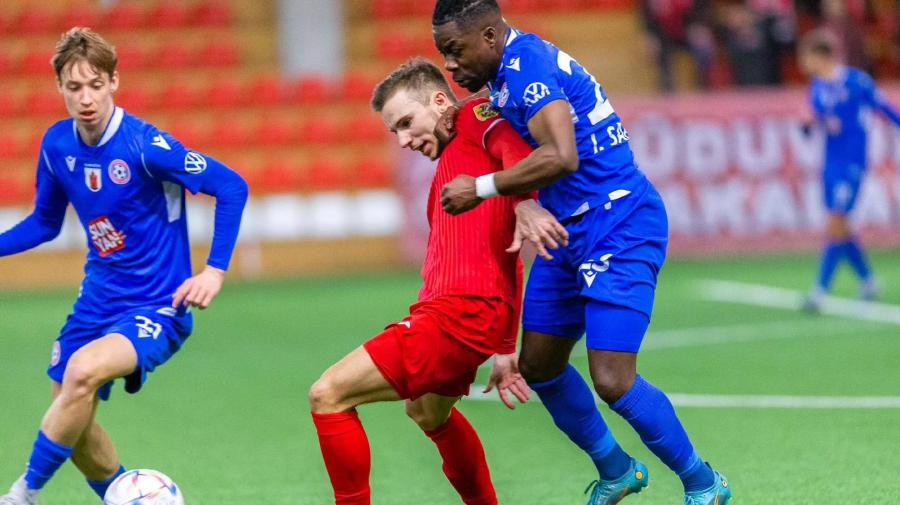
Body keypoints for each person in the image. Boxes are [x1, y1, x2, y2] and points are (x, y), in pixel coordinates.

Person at [431, 1, 730, 504]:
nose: (450, 64)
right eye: (443, 54)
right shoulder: (505, 73)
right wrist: (453, 115)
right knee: (540, 366)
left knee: (612, 379)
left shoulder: (528, 67)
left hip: (619, 221)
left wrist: (481, 188)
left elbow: (561, 155)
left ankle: (703, 483)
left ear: (489, 36)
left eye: (455, 51)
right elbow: (497, 113)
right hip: (566, 229)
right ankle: (618, 471)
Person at [0, 28, 248, 504]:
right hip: (96, 301)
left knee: (81, 374)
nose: (86, 98)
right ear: (59, 88)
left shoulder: (145, 146)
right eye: (74, 87)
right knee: (72, 419)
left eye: (96, 85)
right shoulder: (56, 144)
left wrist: (214, 270)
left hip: (158, 304)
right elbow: (44, 224)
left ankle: (20, 495)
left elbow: (232, 186)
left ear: (114, 81)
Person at [308, 57, 566, 505]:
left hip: (458, 314)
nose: (404, 140)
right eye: (395, 132)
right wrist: (505, 346)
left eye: (407, 123)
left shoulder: (470, 118)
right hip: (470, 314)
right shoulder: (457, 178)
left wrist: (526, 200)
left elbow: (516, 150)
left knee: (327, 394)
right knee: (427, 411)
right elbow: (508, 257)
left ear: (441, 101)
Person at [799, 29, 900, 312]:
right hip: (830, 164)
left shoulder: (856, 81)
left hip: (852, 163)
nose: (803, 62)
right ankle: (868, 281)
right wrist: (808, 124)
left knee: (835, 222)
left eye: (806, 56)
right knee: (841, 227)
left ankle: (820, 291)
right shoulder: (816, 87)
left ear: (821, 56)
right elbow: (814, 124)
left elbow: (885, 108)